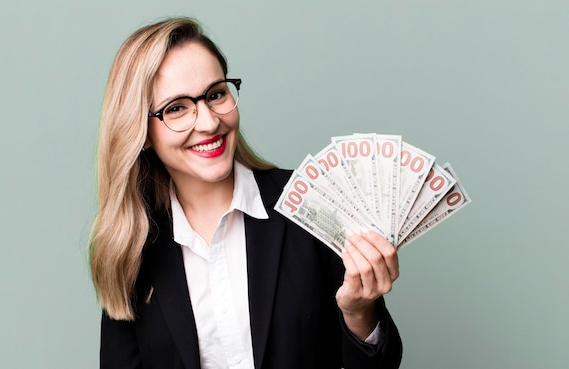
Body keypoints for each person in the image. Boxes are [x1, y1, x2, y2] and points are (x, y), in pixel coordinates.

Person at [89, 17, 403, 369]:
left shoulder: (311, 202)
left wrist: (359, 313)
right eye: (176, 108)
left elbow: (380, 364)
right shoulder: (131, 248)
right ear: (142, 131)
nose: (209, 122)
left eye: (216, 94)